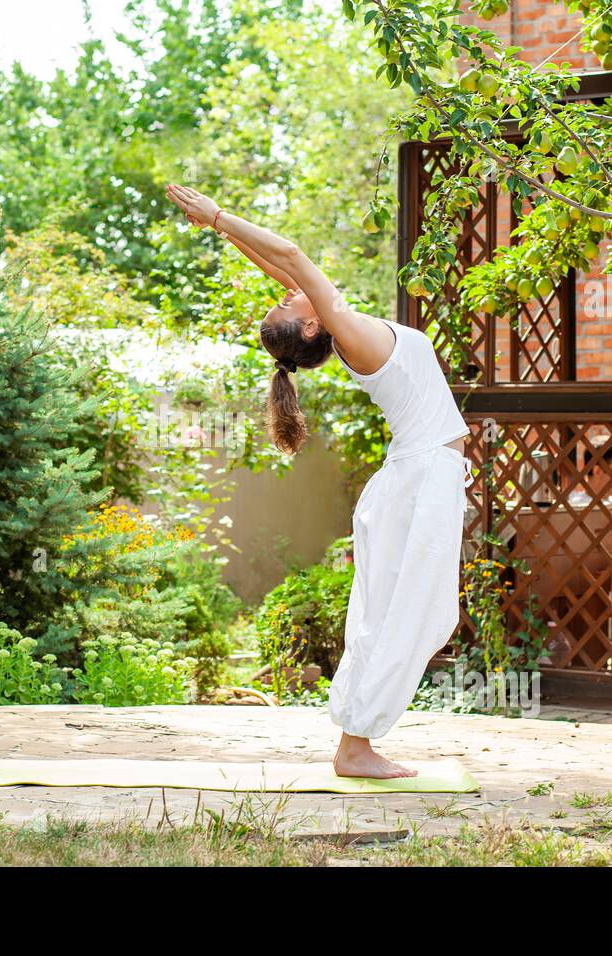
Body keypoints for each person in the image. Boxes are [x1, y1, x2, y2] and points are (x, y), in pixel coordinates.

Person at [166, 184, 472, 779]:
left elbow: (280, 264)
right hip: (420, 482)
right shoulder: (351, 333)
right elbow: (293, 254)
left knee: (399, 613)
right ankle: (356, 745)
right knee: (409, 614)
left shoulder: (340, 325)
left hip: (418, 478)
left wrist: (222, 231)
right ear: (309, 329)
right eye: (286, 305)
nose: (286, 295)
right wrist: (221, 214)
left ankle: (353, 740)